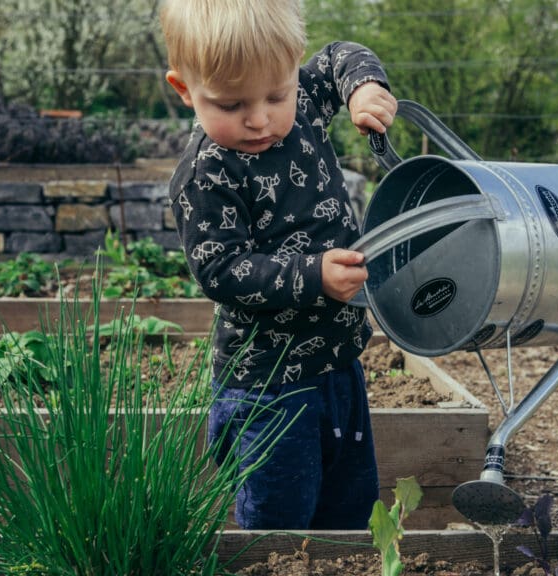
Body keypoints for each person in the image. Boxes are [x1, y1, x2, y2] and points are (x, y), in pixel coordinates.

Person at [159, 0, 398, 530]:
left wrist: (362, 87)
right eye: (230, 104)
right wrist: (313, 275)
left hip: (339, 365)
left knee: (351, 508)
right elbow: (220, 268)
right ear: (184, 90)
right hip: (268, 385)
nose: (259, 118)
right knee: (280, 522)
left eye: (276, 94)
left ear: (293, 71)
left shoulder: (306, 102)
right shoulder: (207, 173)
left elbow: (340, 57)